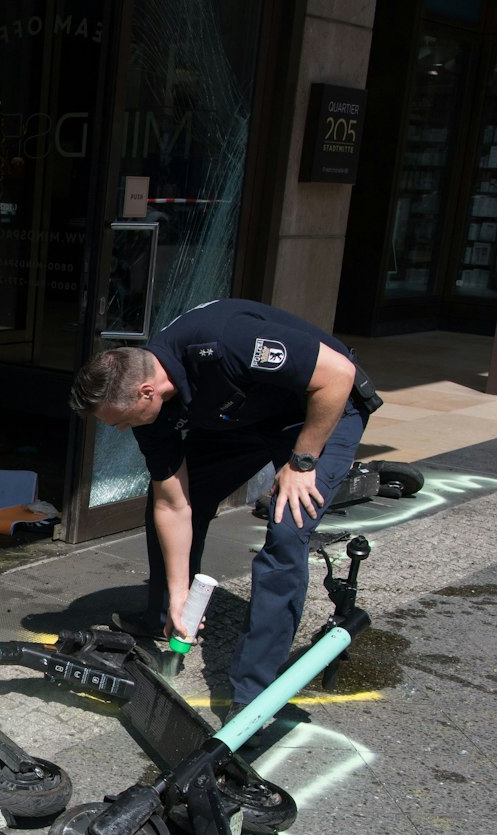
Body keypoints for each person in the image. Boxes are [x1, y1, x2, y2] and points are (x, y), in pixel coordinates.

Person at [68, 298, 382, 713]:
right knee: (176, 493)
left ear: (146, 392)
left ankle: (253, 695)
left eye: (119, 419)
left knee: (287, 528)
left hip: (318, 407)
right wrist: (181, 592)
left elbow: (336, 375)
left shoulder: (226, 340)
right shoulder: (153, 413)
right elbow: (173, 505)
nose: (119, 428)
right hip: (239, 416)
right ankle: (171, 614)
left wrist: (302, 462)